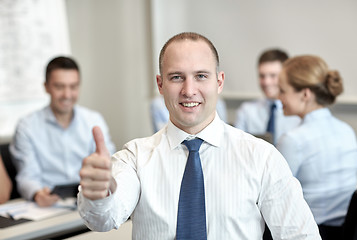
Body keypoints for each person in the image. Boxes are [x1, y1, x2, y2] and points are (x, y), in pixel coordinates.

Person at [77, 32, 321, 239]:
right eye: (176, 77)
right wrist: (98, 194)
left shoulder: (262, 157)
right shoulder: (135, 157)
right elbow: (103, 220)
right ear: (160, 85)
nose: (189, 90)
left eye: (201, 76)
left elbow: (300, 235)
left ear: (219, 81)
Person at [10, 56, 115, 207]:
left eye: (73, 87)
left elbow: (110, 165)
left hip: (90, 201)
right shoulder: (27, 126)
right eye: (59, 87)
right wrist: (37, 194)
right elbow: (27, 176)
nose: (67, 95)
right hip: (48, 206)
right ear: (46, 87)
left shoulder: (94, 120)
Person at [277, 55, 357, 240]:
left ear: (305, 94)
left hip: (312, 232)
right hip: (347, 231)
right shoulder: (346, 130)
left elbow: (273, 197)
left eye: (282, 90)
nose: (278, 97)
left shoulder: (293, 140)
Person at [234, 49, 300, 144]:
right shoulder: (246, 111)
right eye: (262, 76)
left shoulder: (297, 114)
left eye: (273, 76)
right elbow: (236, 146)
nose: (266, 82)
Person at [150, 95, 227, 132]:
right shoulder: (158, 104)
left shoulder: (218, 103)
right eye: (177, 77)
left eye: (200, 76)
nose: (189, 92)